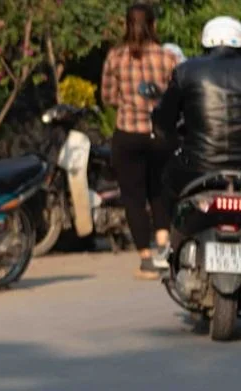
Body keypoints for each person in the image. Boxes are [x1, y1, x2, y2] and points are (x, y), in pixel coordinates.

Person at [101, 3, 181, 279]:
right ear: (154, 26)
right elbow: (178, 96)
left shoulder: (115, 57)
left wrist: (129, 103)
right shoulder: (168, 57)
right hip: (160, 135)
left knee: (134, 197)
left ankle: (146, 260)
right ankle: (163, 245)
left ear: (126, 25)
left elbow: (108, 97)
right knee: (159, 189)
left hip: (128, 134)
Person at [152, 15, 241, 253]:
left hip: (198, 167)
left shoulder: (186, 71)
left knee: (166, 181)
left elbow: (164, 120)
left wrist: (166, 136)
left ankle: (173, 246)